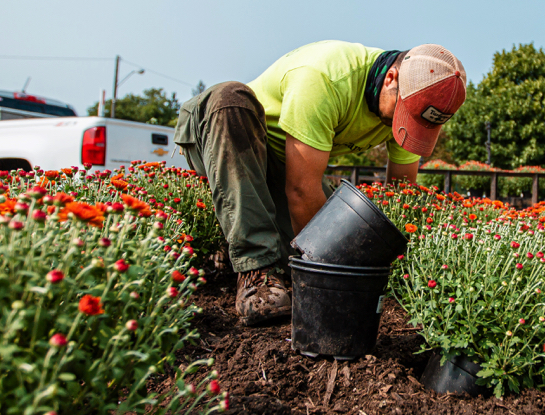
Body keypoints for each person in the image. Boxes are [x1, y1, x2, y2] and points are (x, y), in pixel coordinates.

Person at [175, 41, 467, 325]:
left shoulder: (408, 104)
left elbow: (400, 198)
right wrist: (321, 280)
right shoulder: (324, 78)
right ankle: (256, 272)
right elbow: (302, 192)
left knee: (342, 240)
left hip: (284, 164)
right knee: (230, 98)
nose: (404, 127)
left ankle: (250, 249)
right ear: (391, 77)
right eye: (405, 116)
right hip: (228, 137)